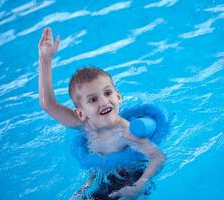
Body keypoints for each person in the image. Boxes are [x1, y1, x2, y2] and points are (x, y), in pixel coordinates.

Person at [38, 27, 165, 200]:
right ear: (81, 113)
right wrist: (45, 59)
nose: (104, 102)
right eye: (93, 100)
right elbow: (48, 105)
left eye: (107, 93)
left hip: (128, 179)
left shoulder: (126, 132)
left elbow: (158, 157)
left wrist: (139, 185)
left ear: (118, 96)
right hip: (96, 179)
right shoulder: (84, 125)